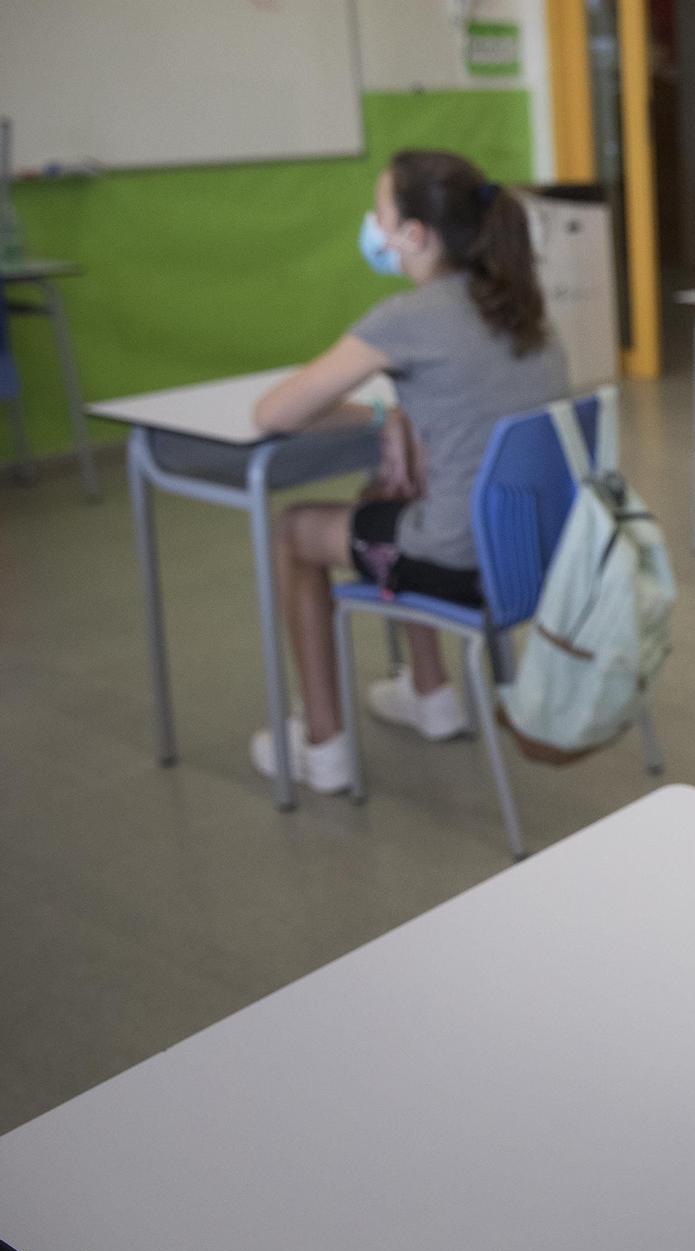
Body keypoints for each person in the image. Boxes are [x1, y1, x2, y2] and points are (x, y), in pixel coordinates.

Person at [247, 149, 568, 794]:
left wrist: (373, 415)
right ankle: (430, 694)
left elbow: (275, 412)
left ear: (413, 235)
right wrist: (393, 420)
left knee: (292, 531)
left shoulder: (405, 320)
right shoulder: (523, 309)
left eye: (382, 213)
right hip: (538, 553)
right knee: (388, 493)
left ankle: (323, 746)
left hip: (460, 557)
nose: (374, 225)